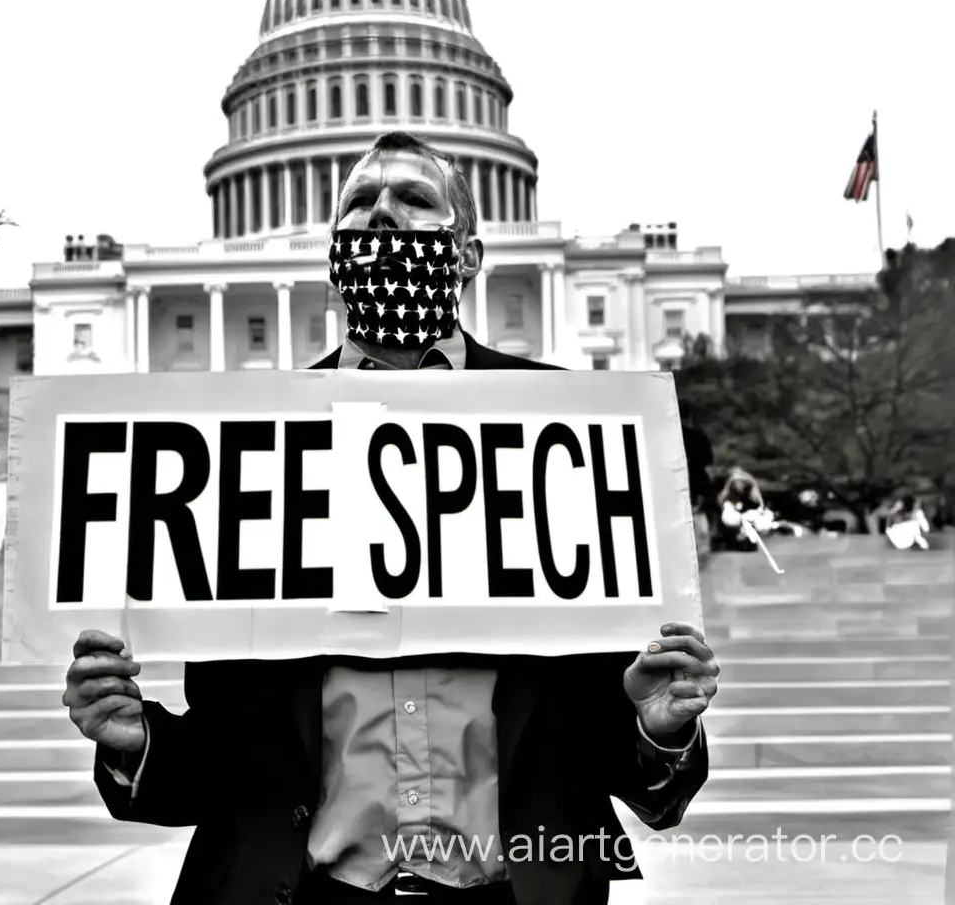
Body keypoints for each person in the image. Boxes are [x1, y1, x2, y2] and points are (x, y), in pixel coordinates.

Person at [63, 132, 717, 905]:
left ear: (468, 255)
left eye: (412, 200)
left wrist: (655, 727)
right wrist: (139, 743)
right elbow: (229, 760)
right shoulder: (251, 449)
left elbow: (607, 758)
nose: (381, 216)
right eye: (357, 205)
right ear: (333, 255)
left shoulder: (570, 432)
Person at [678, 401, 714, 557]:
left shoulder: (668, 437)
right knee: (699, 520)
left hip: (675, 484)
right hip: (697, 483)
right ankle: (700, 552)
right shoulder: (699, 436)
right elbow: (708, 462)